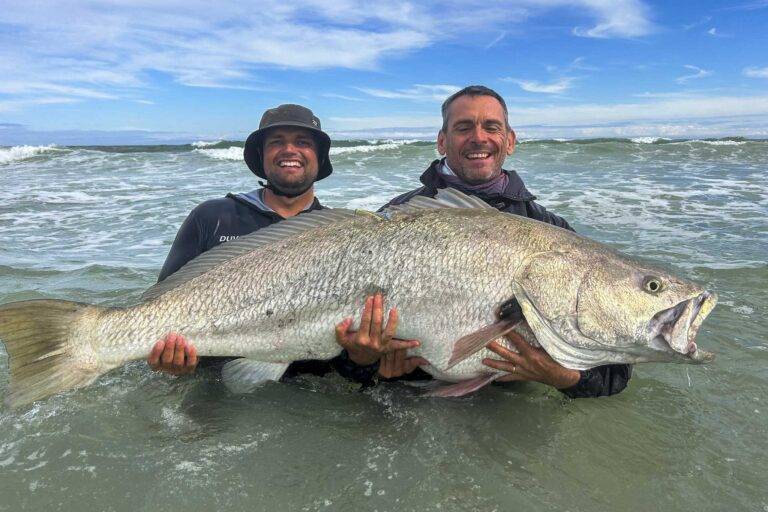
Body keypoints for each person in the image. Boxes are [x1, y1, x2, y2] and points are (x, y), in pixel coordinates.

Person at [351, 85, 632, 398]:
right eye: (463, 127)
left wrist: (562, 376)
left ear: (509, 140)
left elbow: (615, 374)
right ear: (442, 141)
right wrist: (368, 363)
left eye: (491, 127)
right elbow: (340, 355)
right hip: (412, 404)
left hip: (511, 409)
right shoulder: (393, 221)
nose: (478, 137)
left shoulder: (551, 231)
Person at [147, 104, 417, 381]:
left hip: (309, 393)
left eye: (303, 142)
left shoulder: (346, 235)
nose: (289, 150)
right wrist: (173, 362)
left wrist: (363, 358)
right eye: (276, 142)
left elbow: (346, 363)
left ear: (319, 157)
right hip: (212, 387)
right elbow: (156, 309)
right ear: (261, 155)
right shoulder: (210, 217)